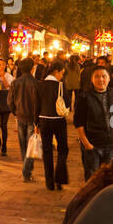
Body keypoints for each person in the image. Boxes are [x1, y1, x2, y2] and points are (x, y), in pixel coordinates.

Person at [74, 66, 113, 181]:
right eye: (97, 76)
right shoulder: (84, 97)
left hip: (111, 145)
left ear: (108, 79)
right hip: (93, 146)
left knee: (109, 178)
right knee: (92, 180)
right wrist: (86, 144)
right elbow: (78, 123)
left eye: (104, 76)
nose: (100, 79)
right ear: (91, 79)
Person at [38, 60, 70, 191]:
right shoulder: (60, 86)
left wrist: (36, 122)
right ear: (56, 72)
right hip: (58, 120)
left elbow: (36, 104)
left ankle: (49, 181)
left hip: (43, 120)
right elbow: (67, 103)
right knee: (63, 149)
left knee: (47, 151)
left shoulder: (40, 85)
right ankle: (60, 178)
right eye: (61, 73)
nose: (62, 76)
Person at [9, 57, 41, 182]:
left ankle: (26, 169)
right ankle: (26, 171)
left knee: (23, 145)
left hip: (20, 117)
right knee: (30, 146)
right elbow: (38, 103)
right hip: (32, 119)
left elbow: (10, 101)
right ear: (32, 68)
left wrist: (15, 112)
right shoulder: (36, 83)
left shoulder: (15, 83)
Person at [0, 55, 14, 156]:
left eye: (2, 65)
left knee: (4, 125)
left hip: (5, 100)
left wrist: (3, 77)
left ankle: (4, 146)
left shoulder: (9, 76)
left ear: (5, 66)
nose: (0, 67)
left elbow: (9, 86)